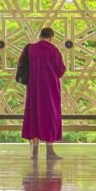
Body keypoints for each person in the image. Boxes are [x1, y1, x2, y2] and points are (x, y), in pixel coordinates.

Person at [22, 27, 66, 160]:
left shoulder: (31, 49)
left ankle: (35, 152)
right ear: (51, 37)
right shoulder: (53, 50)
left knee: (34, 116)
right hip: (50, 89)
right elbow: (60, 70)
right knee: (49, 116)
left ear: (40, 35)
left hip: (34, 88)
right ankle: (49, 150)